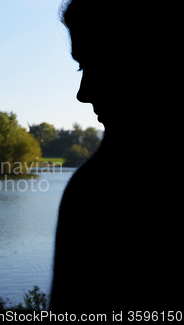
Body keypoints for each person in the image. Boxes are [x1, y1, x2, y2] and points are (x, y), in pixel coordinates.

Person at [49, 0, 181, 312]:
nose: (83, 92)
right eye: (82, 68)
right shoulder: (96, 186)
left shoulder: (97, 191)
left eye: (94, 64)